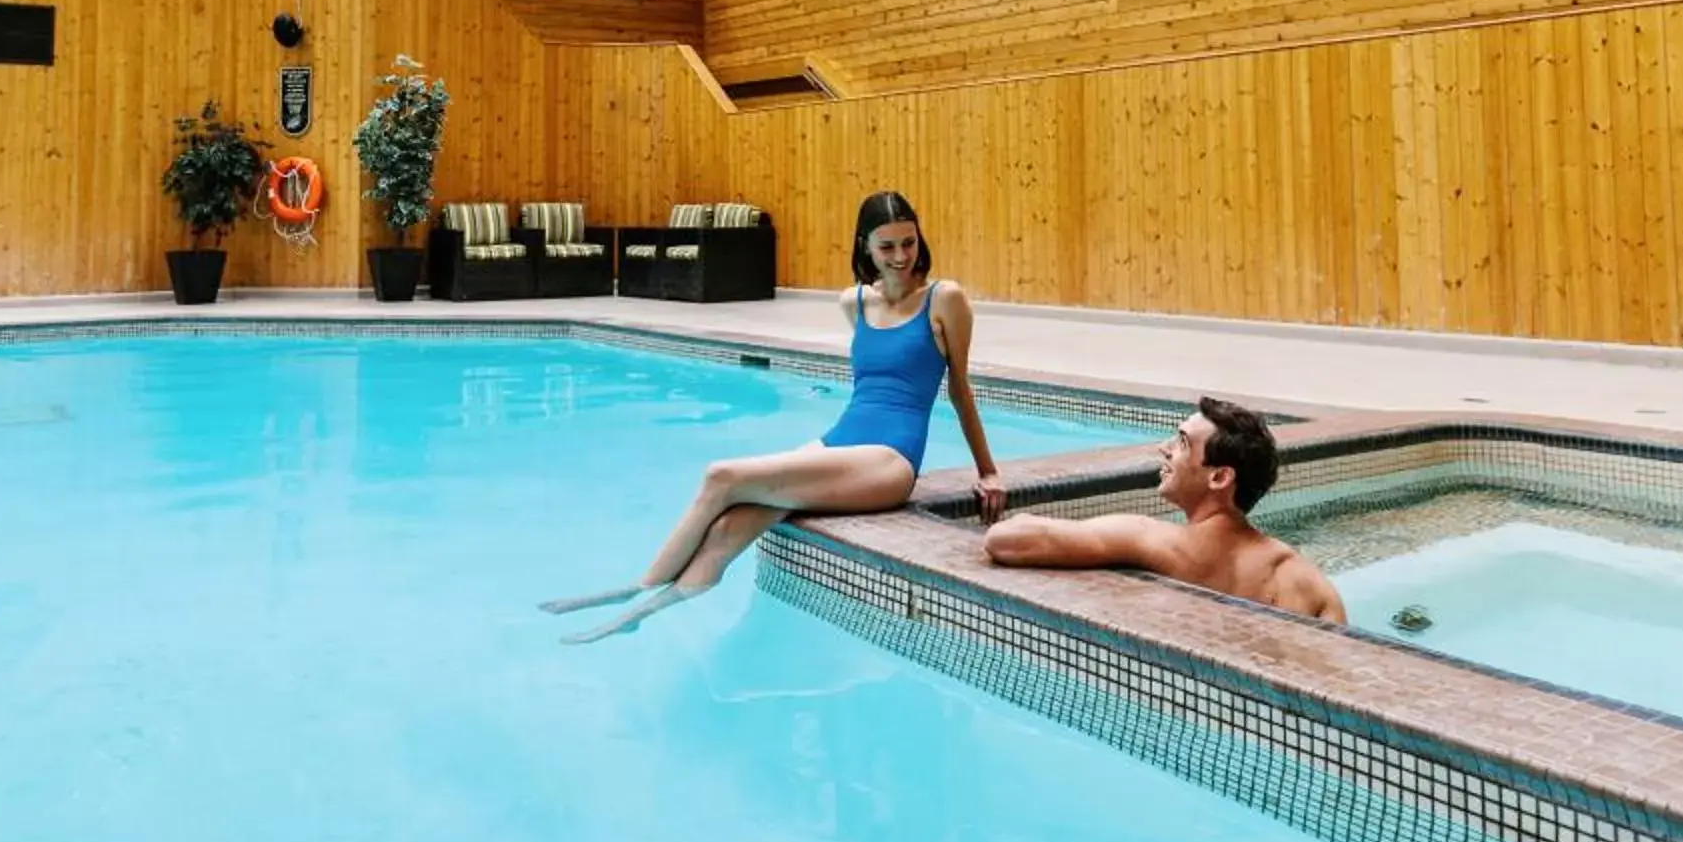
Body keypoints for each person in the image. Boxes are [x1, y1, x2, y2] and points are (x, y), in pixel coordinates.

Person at [547, 191, 1006, 642]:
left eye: (908, 242)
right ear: (864, 245)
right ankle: (642, 612)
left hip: (889, 460)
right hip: (839, 443)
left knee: (721, 476)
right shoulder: (854, 303)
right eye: (886, 246)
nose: (900, 256)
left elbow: (960, 389)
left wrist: (988, 471)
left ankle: (638, 586)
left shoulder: (944, 299)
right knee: (730, 525)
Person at [982, 394, 1346, 624]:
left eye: (1183, 443)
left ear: (1219, 477)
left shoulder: (1150, 540)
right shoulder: (1310, 584)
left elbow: (1004, 540)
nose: (1165, 448)